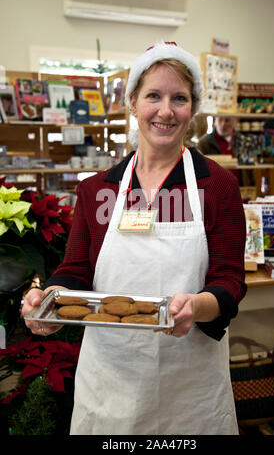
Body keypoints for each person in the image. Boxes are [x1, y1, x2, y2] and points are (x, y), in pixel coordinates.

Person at [21, 42, 247, 435]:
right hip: (112, 381)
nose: (165, 111)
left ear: (192, 108)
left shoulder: (217, 186)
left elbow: (229, 281)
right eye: (153, 96)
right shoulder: (97, 190)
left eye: (179, 98)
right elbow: (75, 270)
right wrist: (49, 306)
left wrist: (197, 305)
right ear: (132, 102)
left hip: (190, 383)